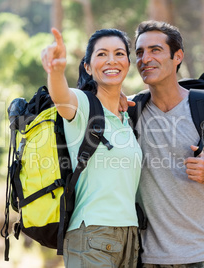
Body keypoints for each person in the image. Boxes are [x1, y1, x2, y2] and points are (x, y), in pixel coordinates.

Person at [130, 20, 204, 267]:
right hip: (145, 258)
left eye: (155, 50)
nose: (145, 59)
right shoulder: (130, 111)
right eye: (140, 52)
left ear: (178, 56)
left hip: (202, 255)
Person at [41, 27, 142, 268]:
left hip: (129, 237)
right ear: (87, 66)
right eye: (101, 54)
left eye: (119, 53)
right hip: (92, 235)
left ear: (128, 63)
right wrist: (56, 70)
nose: (111, 60)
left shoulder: (125, 116)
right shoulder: (83, 104)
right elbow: (62, 97)